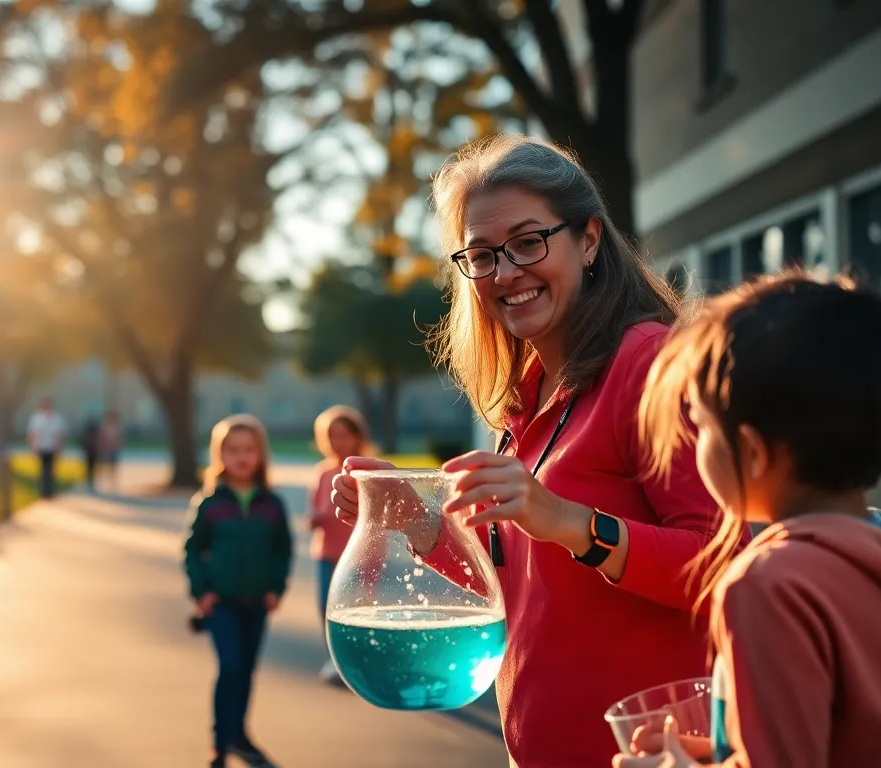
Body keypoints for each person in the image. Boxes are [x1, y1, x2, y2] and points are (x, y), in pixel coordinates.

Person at [331, 134, 731, 767]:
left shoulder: (650, 362)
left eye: (527, 242)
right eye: (483, 254)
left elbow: (724, 566)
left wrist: (571, 522)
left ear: (589, 240)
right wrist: (417, 522)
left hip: (651, 755)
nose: (506, 273)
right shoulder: (529, 394)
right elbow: (518, 590)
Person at [615, 273, 881, 768]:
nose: (693, 445)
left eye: (700, 425)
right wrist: (714, 756)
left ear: (754, 453)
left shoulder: (767, 587)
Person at [184, 415, 292, 768]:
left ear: (260, 455)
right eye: (233, 450)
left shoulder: (271, 503)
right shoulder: (210, 503)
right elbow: (192, 549)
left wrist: (276, 587)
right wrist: (201, 591)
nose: (241, 457)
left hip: (257, 602)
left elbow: (283, 550)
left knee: (246, 669)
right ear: (220, 455)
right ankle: (219, 741)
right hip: (221, 601)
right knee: (230, 666)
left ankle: (239, 735)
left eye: (249, 450)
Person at [308, 405, 372, 685]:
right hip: (326, 553)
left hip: (359, 556)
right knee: (326, 608)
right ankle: (335, 660)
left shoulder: (366, 472)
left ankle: (356, 662)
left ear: (357, 437)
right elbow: (314, 512)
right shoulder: (323, 472)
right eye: (332, 436)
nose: (339, 442)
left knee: (358, 609)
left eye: (344, 435)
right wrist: (317, 518)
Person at [26, 397, 67, 498]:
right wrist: (32, 448)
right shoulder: (36, 418)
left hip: (52, 448)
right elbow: (32, 434)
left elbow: (60, 435)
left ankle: (51, 492)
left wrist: (59, 449)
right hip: (41, 448)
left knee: (51, 471)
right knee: (43, 471)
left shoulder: (57, 418)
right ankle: (44, 493)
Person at [97, 409, 124, 493]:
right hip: (106, 450)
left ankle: (113, 483)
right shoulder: (105, 428)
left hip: (114, 450)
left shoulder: (117, 428)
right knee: (105, 467)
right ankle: (104, 483)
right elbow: (101, 439)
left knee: (113, 467)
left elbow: (120, 439)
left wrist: (118, 445)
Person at [81, 416, 101, 491]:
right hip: (90, 452)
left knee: (90, 468)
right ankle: (90, 482)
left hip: (91, 452)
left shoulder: (89, 434)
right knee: (90, 468)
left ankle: (90, 482)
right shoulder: (91, 434)